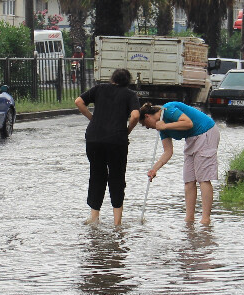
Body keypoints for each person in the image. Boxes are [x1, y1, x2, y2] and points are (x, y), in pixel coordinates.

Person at [75, 68, 141, 226]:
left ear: (113, 79)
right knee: (117, 177)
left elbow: (79, 101)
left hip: (94, 139)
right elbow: (136, 116)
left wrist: (92, 118)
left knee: (97, 175)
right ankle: (117, 222)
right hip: (117, 141)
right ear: (128, 81)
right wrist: (127, 131)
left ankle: (94, 218)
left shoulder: (99, 88)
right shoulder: (130, 94)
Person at [139, 101, 220, 225]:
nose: (149, 128)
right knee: (189, 179)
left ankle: (205, 219)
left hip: (206, 132)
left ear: (147, 116)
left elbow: (188, 123)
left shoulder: (168, 110)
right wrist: (155, 169)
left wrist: (165, 126)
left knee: (203, 178)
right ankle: (189, 219)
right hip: (192, 138)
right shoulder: (161, 129)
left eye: (146, 125)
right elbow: (168, 152)